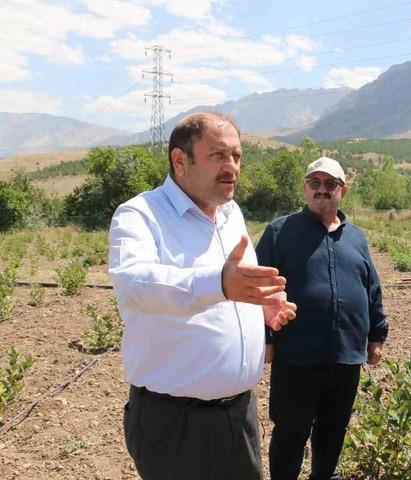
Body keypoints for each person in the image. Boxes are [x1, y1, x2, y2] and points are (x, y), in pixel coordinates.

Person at [109, 112, 297, 480]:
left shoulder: (232, 214)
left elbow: (230, 283)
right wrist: (222, 285)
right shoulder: (140, 215)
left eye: (237, 156)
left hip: (238, 414)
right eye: (218, 155)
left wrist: (260, 304)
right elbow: (135, 285)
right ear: (180, 160)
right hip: (174, 423)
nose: (232, 167)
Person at [256, 156, 389, 480]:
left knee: (333, 430)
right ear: (305, 188)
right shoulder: (280, 231)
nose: (322, 190)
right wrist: (267, 340)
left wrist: (376, 336)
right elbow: (259, 292)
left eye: (330, 184)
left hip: (345, 355)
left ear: (342, 190)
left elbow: (371, 287)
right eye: (315, 183)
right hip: (296, 356)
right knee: (290, 432)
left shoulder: (356, 237)